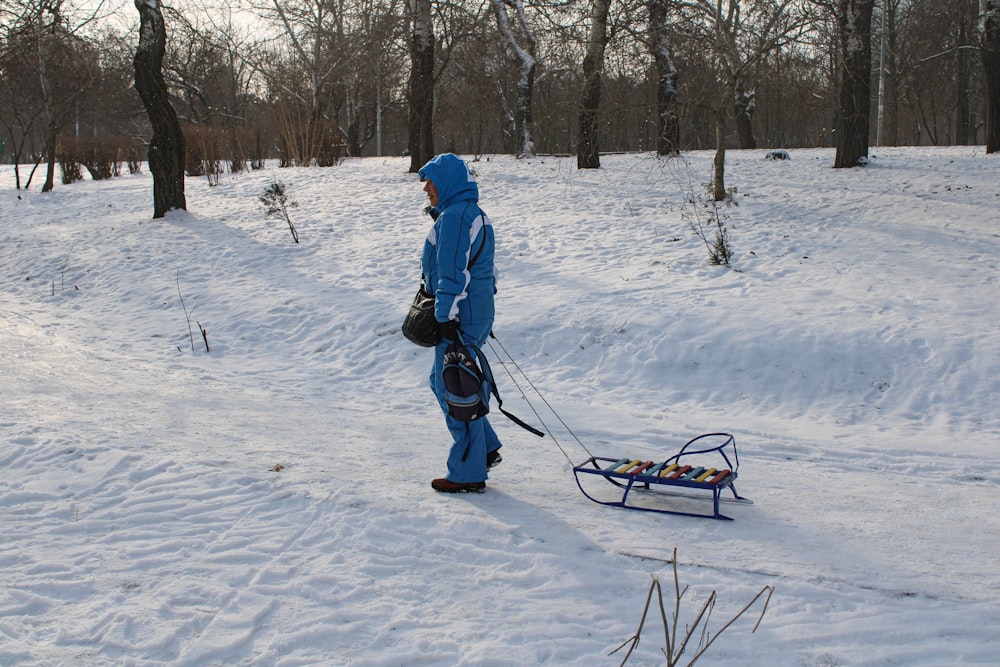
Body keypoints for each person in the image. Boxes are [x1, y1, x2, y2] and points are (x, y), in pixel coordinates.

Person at [418, 153, 503, 493]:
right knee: (448, 382)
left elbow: (454, 272)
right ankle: (486, 446)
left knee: (456, 387)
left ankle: (468, 471)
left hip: (459, 314)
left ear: (449, 182)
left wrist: (446, 317)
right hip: (473, 311)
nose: (426, 188)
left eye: (431, 181)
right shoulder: (474, 214)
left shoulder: (454, 218)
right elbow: (489, 269)